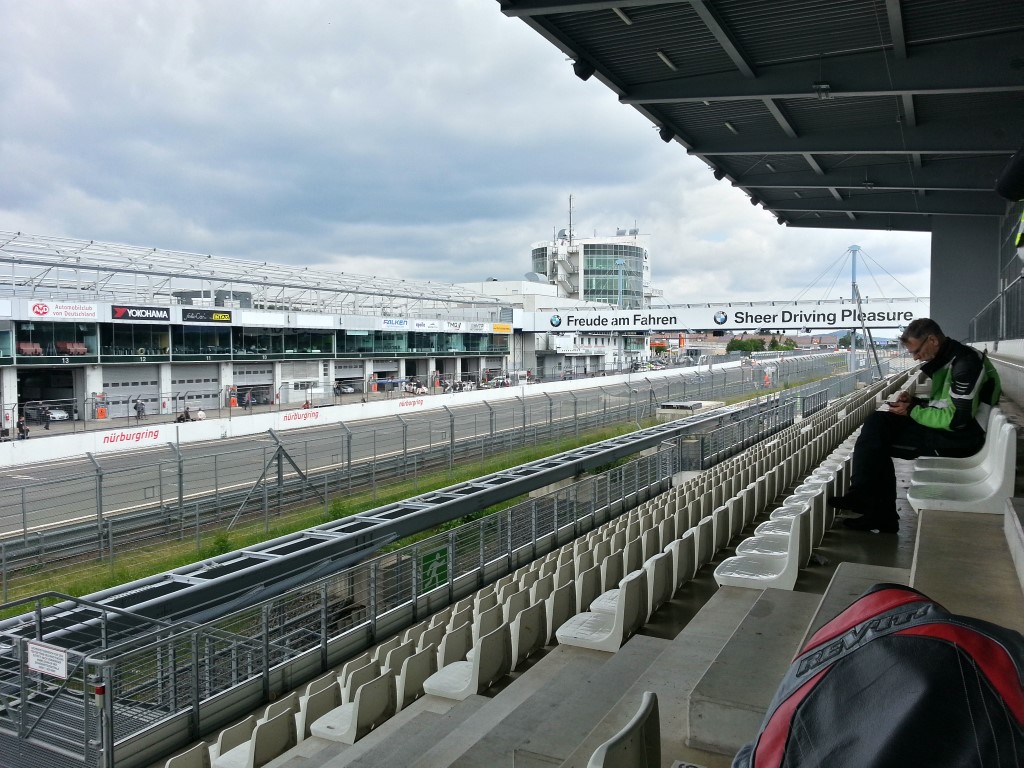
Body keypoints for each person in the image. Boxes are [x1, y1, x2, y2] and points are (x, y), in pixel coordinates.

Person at [834, 318, 1001, 533]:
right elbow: (945, 405)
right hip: (952, 431)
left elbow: (957, 420)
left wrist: (912, 410)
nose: (915, 357)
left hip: (962, 439)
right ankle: (866, 499)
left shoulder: (966, 365)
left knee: (877, 442)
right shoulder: (952, 359)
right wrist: (915, 403)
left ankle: (874, 508)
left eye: (917, 351)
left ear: (932, 340)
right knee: (877, 422)